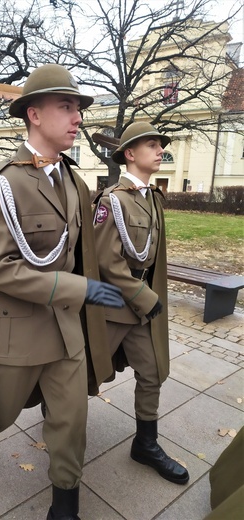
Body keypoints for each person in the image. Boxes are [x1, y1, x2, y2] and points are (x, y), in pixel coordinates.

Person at [0, 64, 124, 519]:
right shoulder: (5, 181)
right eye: (66, 107)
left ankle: (65, 502)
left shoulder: (73, 180)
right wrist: (77, 287)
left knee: (70, 422)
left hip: (65, 330)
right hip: (16, 334)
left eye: (78, 109)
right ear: (34, 114)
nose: (78, 119)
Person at [93, 121, 190, 485]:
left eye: (161, 145)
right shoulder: (112, 201)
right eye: (152, 145)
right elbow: (107, 260)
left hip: (141, 309)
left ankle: (145, 444)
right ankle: (54, 416)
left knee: (152, 373)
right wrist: (145, 297)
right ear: (130, 154)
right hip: (114, 309)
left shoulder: (151, 198)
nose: (160, 150)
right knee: (85, 374)